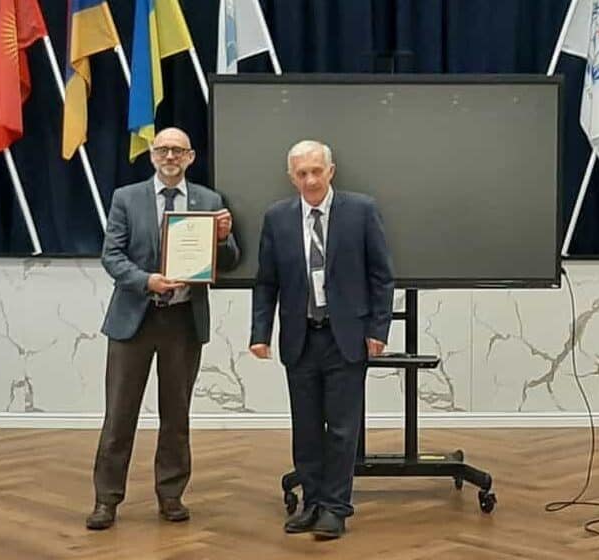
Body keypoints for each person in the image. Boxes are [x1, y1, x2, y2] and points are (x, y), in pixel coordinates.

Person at [86, 127, 240, 530]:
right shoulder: (126, 197)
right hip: (133, 321)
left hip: (183, 323)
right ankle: (106, 500)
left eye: (178, 151)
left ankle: (171, 495)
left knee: (176, 416)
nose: (170, 157)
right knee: (119, 416)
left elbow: (229, 261)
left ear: (190, 157)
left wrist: (223, 238)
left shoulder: (209, 201)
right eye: (163, 150)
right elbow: (112, 256)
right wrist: (147, 281)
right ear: (152, 155)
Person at [250, 140, 394, 539]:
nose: (310, 180)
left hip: (345, 337)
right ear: (291, 177)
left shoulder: (361, 210)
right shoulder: (277, 217)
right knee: (307, 428)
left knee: (343, 430)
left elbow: (381, 276)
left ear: (331, 171)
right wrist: (260, 333)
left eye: (317, 171)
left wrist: (378, 329)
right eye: (302, 173)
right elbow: (266, 282)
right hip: (300, 339)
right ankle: (312, 502)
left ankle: (335, 508)